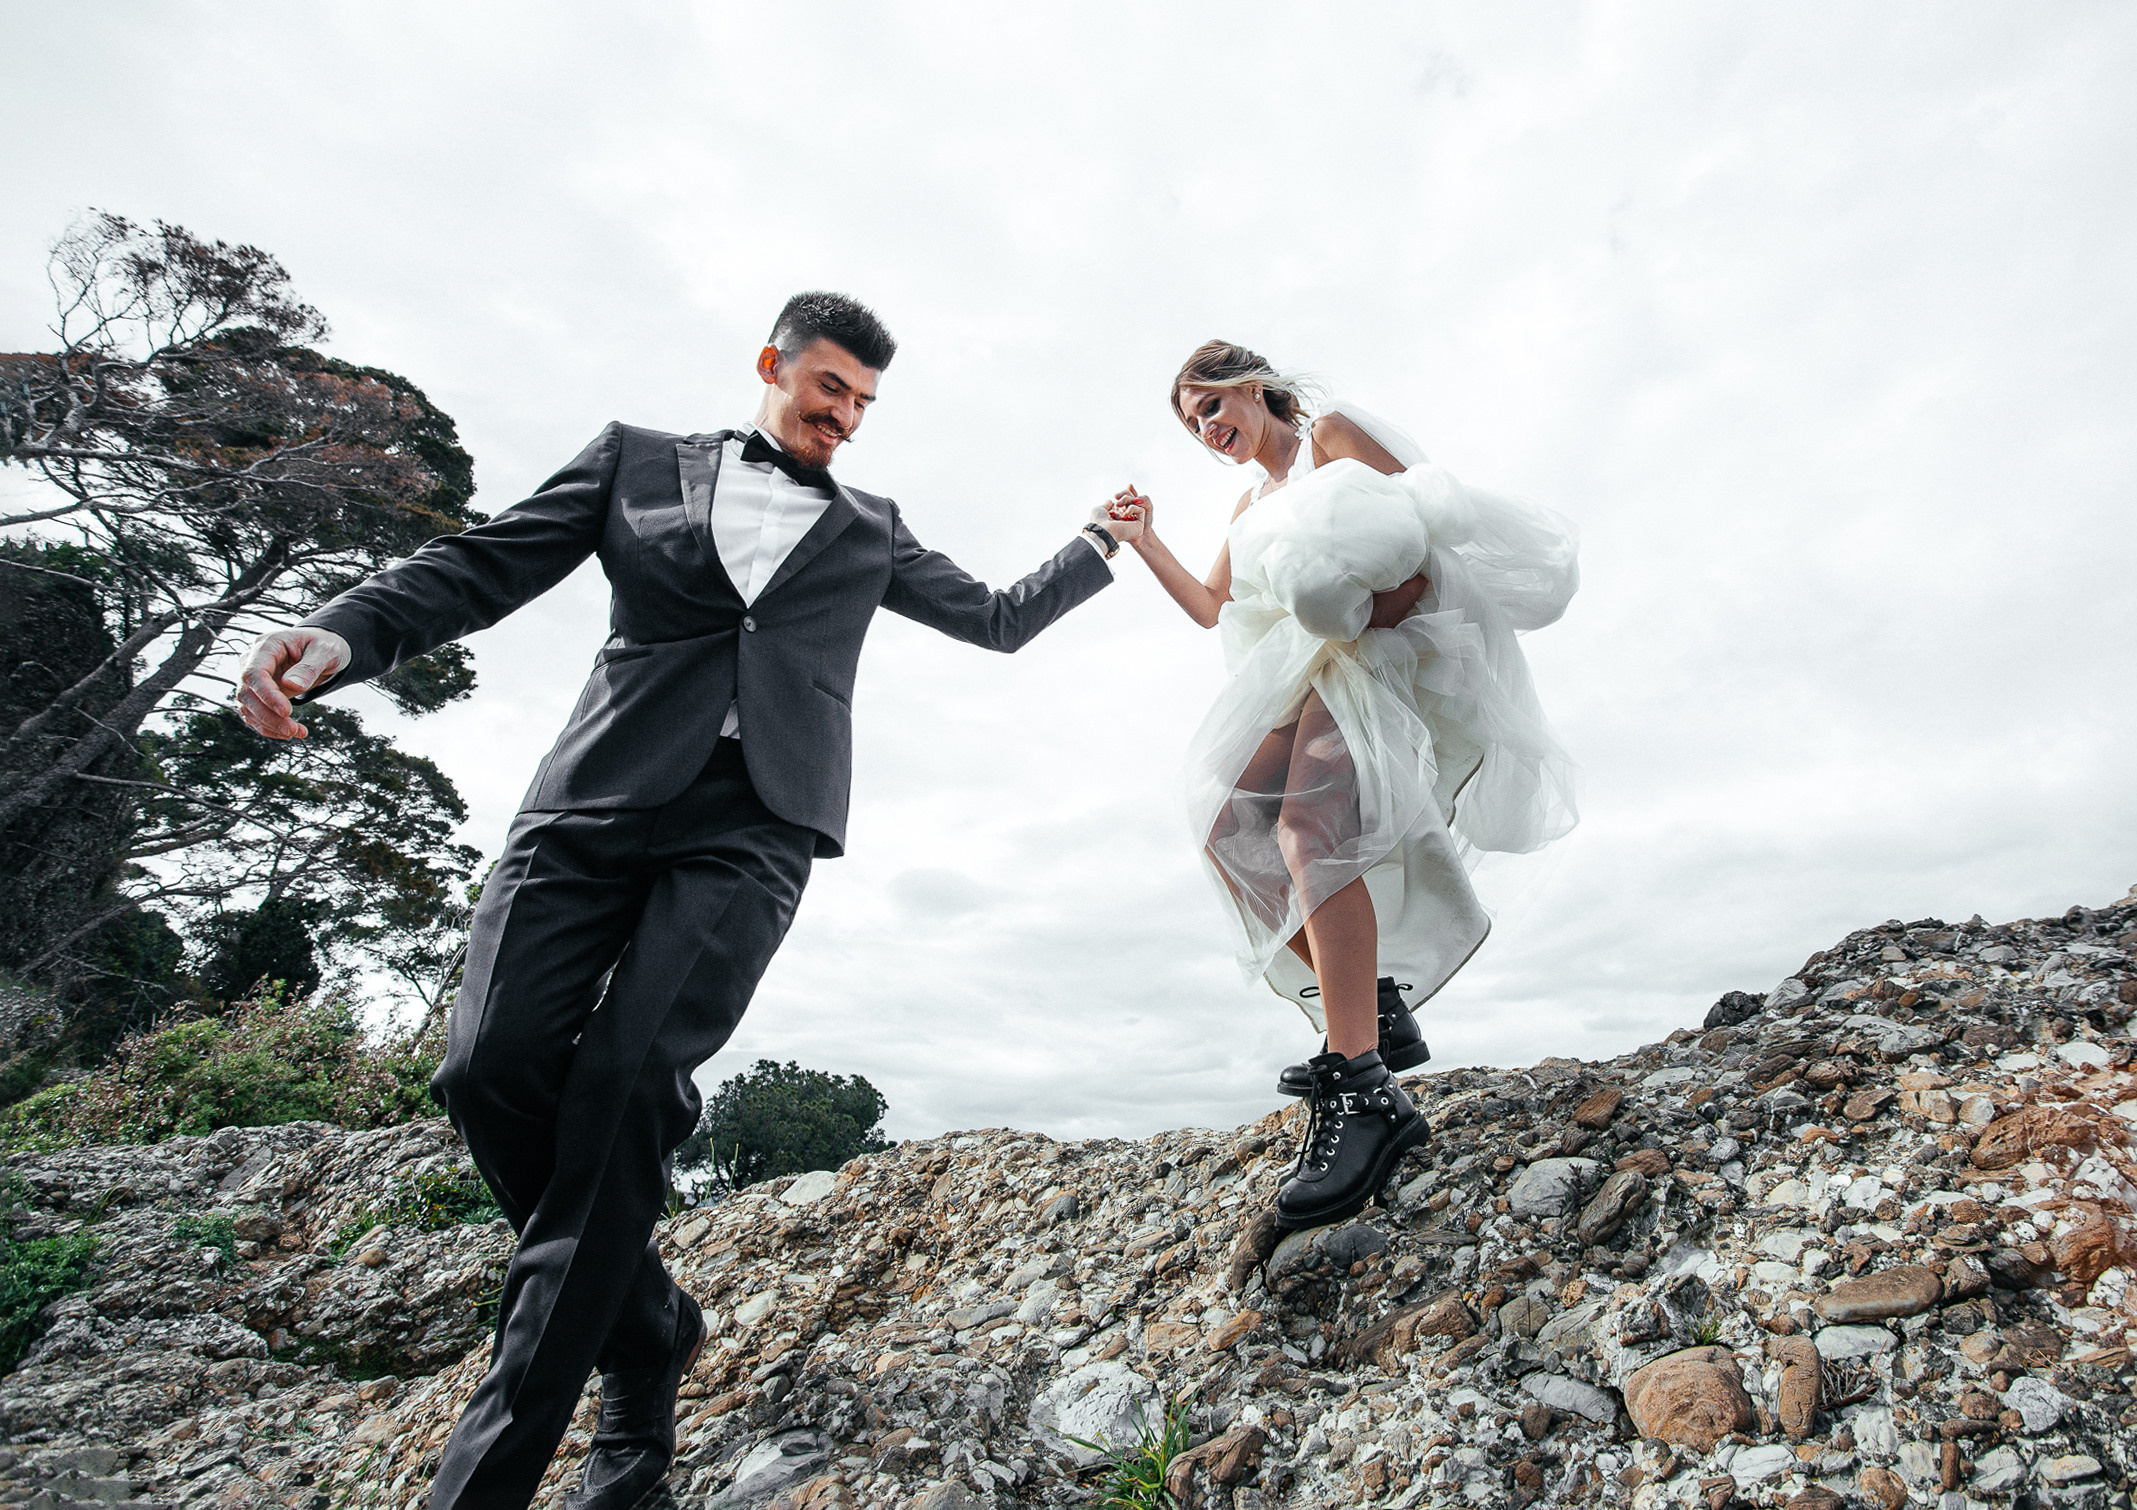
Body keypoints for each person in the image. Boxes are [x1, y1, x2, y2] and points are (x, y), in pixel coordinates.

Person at [234, 293, 1144, 1510]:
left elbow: (993, 619)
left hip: (755, 826)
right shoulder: (633, 460)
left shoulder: (870, 527)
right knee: (485, 1067)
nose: (846, 418)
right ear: (772, 364)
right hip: (594, 800)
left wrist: (1097, 543)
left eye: (866, 404)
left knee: (619, 1090)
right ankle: (650, 1320)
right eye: (829, 390)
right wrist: (341, 635)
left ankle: (519, 1470)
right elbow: (481, 564)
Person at [1113, 339, 1579, 1231]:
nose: (1207, 430)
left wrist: (1368, 616)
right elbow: (1215, 609)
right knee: (1229, 835)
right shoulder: (1249, 502)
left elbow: (1425, 535)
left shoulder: (1329, 435)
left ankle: (1361, 1083)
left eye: (1210, 406)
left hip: (1379, 649)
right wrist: (1142, 541)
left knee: (1307, 833)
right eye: (1190, 424)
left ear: (1251, 387)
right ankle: (1373, 1009)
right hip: (1305, 662)